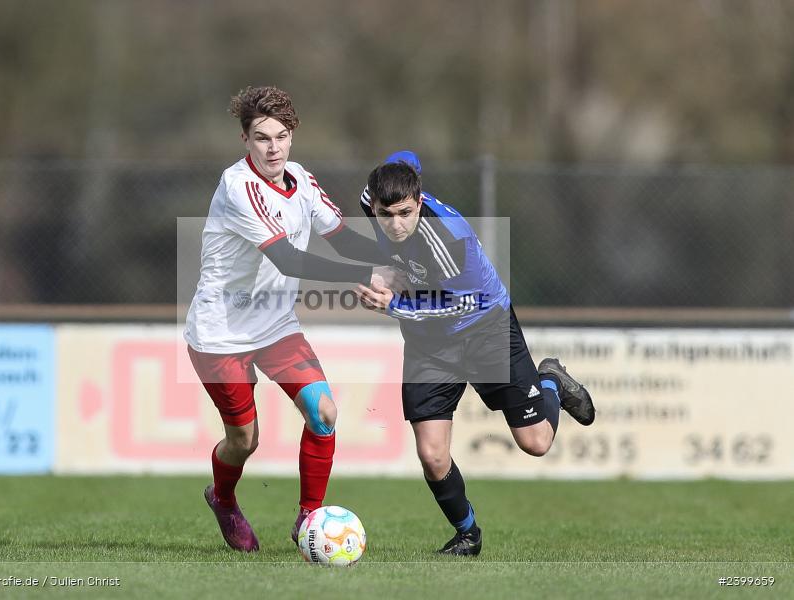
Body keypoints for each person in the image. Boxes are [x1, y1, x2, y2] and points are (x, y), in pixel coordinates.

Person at [185, 86, 396, 552]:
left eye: (281, 136)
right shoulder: (238, 186)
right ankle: (222, 497)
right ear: (245, 141)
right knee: (244, 441)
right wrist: (367, 273)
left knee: (323, 412)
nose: (273, 147)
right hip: (221, 333)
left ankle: (308, 521)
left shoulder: (300, 178)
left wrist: (396, 256)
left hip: (276, 326)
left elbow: (340, 236)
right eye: (261, 138)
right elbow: (288, 259)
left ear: (292, 136)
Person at [356, 155, 595, 556]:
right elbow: (404, 160)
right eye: (385, 215)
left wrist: (392, 305)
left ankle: (550, 377)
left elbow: (461, 305)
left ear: (418, 200)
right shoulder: (372, 196)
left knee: (536, 443)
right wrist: (382, 264)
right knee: (432, 455)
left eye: (404, 213)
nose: (395, 224)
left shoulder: (451, 239)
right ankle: (468, 532)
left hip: (485, 327)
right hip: (429, 344)